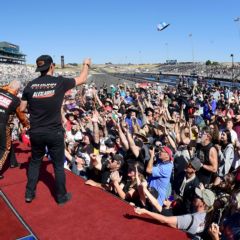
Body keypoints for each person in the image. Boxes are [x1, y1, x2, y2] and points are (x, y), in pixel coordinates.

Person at [20, 55, 91, 204]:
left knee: (34, 162)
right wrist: (86, 64)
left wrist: (35, 111)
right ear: (52, 66)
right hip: (54, 131)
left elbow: (22, 108)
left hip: (37, 132)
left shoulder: (30, 85)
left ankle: (28, 194)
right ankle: (60, 196)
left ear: (39, 68)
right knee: (58, 165)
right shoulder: (59, 82)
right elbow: (82, 78)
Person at [134, 187, 216, 236]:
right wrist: (169, 200)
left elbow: (164, 217)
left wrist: (146, 211)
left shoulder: (189, 217)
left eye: (198, 196)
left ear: (203, 203)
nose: (194, 196)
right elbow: (175, 194)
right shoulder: (205, 215)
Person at [0, 80, 29, 179]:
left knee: (8, 142)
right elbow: (21, 115)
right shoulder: (16, 100)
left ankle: (13, 162)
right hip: (3, 124)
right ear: (17, 90)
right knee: (5, 147)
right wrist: (26, 124)